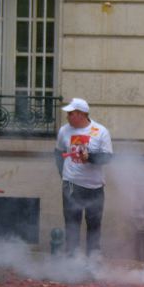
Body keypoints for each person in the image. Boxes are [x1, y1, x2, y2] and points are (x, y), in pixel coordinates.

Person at [54, 97, 113, 258]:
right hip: (72, 185)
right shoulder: (64, 131)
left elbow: (107, 157)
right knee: (72, 223)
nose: (67, 117)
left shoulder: (100, 131)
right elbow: (58, 153)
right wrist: (64, 175)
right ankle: (72, 261)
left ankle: (92, 261)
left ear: (80, 114)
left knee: (94, 224)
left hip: (95, 186)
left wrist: (90, 157)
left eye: (70, 113)